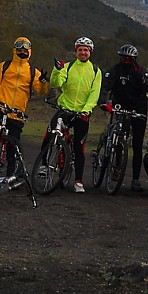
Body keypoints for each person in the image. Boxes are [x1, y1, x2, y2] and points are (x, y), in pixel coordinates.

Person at [0, 36, 49, 176]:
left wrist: (44, 82)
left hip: (17, 114)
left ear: (29, 52)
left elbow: (41, 91)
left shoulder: (32, 71)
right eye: (19, 49)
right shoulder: (4, 66)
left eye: (25, 50)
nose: (22, 52)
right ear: (14, 50)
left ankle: (11, 175)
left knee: (12, 147)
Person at [98, 44, 148, 191]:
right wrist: (102, 101)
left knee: (137, 146)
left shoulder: (140, 70)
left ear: (134, 59)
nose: (126, 61)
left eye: (129, 59)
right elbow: (105, 86)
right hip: (120, 107)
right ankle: (116, 169)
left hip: (138, 109)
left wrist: (143, 81)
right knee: (119, 140)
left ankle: (135, 180)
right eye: (123, 58)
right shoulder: (115, 70)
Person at [49, 36, 102, 193]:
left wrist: (87, 109)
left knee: (79, 147)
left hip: (82, 112)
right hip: (65, 108)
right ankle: (45, 165)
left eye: (86, 50)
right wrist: (57, 70)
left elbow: (94, 93)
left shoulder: (95, 71)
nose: (83, 52)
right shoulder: (68, 66)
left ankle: (78, 181)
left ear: (90, 52)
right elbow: (56, 83)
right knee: (51, 132)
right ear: (76, 51)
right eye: (80, 50)